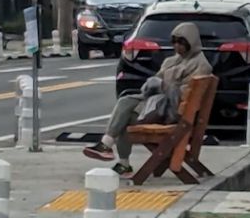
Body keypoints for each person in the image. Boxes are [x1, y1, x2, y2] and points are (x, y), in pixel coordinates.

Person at [83, 21, 212, 175]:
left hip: (171, 112)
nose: (177, 46)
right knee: (126, 109)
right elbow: (157, 80)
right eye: (174, 42)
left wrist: (162, 85)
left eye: (181, 42)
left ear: (192, 42)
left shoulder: (200, 65)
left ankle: (108, 146)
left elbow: (184, 94)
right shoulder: (171, 61)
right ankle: (120, 160)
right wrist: (152, 85)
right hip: (157, 104)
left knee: (125, 109)